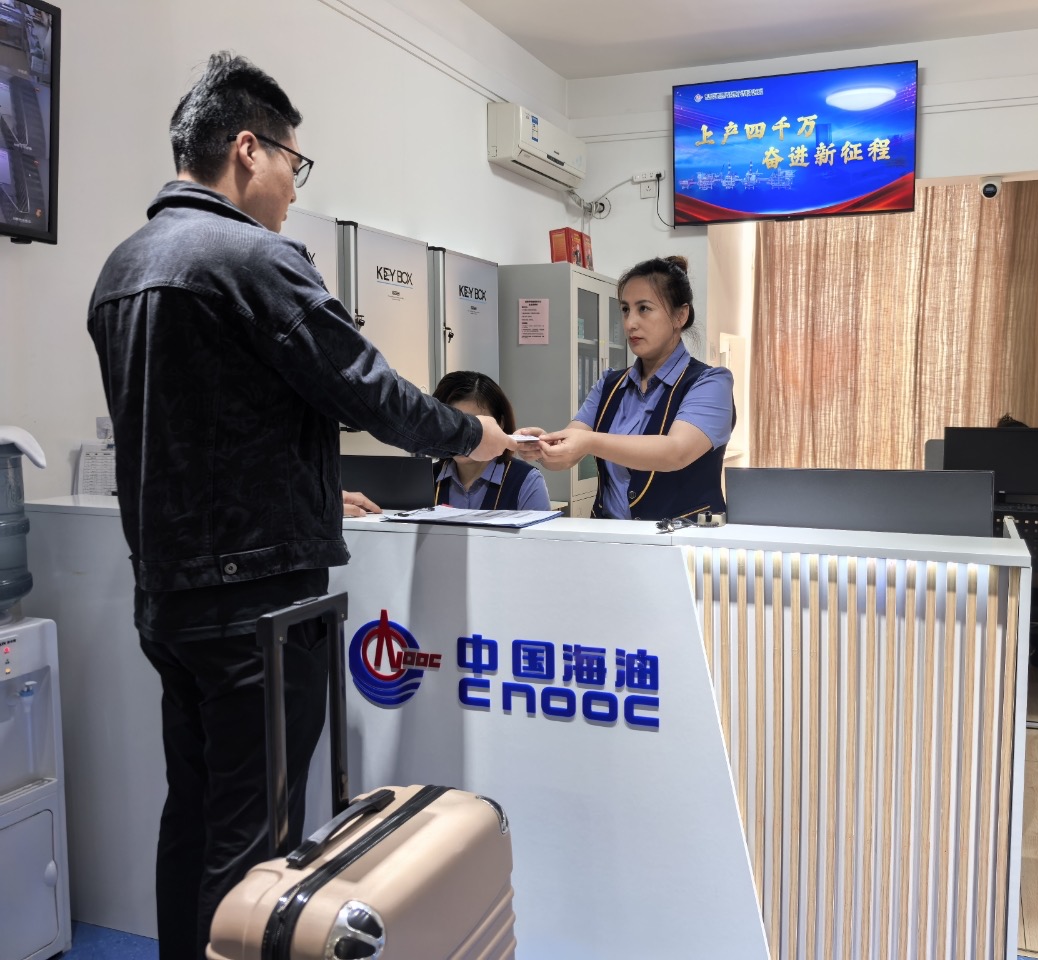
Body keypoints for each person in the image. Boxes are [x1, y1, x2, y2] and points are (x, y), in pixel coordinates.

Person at [85, 52, 512, 960]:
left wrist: (310, 492)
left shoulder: (122, 267)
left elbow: (205, 430)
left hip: (168, 599)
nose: (291, 186)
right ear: (249, 149)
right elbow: (366, 389)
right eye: (293, 163)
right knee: (255, 843)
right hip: (259, 610)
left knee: (193, 813)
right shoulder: (254, 258)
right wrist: (471, 436)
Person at [522, 255, 734, 521]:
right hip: (612, 538)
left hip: (681, 538)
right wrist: (543, 448)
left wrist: (589, 441)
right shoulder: (609, 385)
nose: (630, 323)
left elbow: (676, 452)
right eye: (625, 309)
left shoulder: (710, 382)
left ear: (680, 315)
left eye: (644, 308)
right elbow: (567, 455)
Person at [431, 371, 552, 510]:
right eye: (453, 424)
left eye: (473, 425)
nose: (462, 436)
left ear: (500, 423)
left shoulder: (526, 481)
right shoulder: (425, 479)